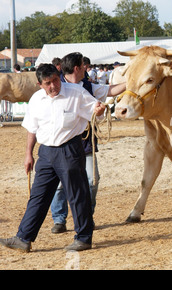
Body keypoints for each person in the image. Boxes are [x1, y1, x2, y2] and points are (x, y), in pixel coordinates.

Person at [0, 64, 106, 252]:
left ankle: (83, 238)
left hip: (70, 149)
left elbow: (96, 112)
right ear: (40, 84)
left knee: (77, 194)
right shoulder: (36, 99)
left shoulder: (77, 93)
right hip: (46, 153)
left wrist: (99, 111)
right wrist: (28, 154)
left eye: (55, 80)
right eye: (48, 83)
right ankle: (23, 238)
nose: (53, 86)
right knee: (38, 196)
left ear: (59, 77)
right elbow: (32, 129)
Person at [50, 52, 126, 234]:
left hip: (85, 141)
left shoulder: (88, 86)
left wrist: (134, 81)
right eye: (84, 65)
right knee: (60, 183)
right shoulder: (55, 86)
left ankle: (86, 215)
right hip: (62, 142)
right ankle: (59, 219)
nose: (87, 68)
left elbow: (110, 90)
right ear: (77, 68)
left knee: (92, 180)